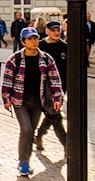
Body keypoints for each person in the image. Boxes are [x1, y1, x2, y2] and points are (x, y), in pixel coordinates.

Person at [1, 27, 63, 177]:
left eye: (35, 38)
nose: (34, 41)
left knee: (31, 131)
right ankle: (23, 163)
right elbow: (8, 80)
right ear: (23, 42)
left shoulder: (46, 59)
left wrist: (57, 98)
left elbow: (55, 79)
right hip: (20, 100)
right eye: (30, 39)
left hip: (38, 101)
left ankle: (26, 161)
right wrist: (6, 98)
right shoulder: (15, 59)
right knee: (27, 129)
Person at [35, 21, 68, 151]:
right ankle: (67, 145)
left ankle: (39, 135)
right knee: (55, 115)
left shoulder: (64, 47)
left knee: (52, 114)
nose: (56, 33)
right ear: (47, 31)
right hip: (43, 87)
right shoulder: (40, 46)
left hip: (59, 88)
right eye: (53, 30)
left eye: (58, 30)